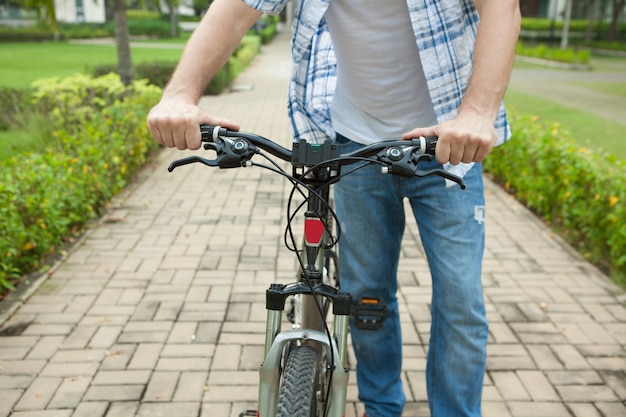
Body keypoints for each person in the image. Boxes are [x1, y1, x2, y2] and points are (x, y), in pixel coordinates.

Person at [147, 0, 521, 415]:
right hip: (354, 141)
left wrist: (477, 114)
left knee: (460, 302)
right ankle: (382, 409)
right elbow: (237, 8)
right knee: (365, 297)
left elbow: (502, 6)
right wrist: (179, 95)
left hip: (451, 143)